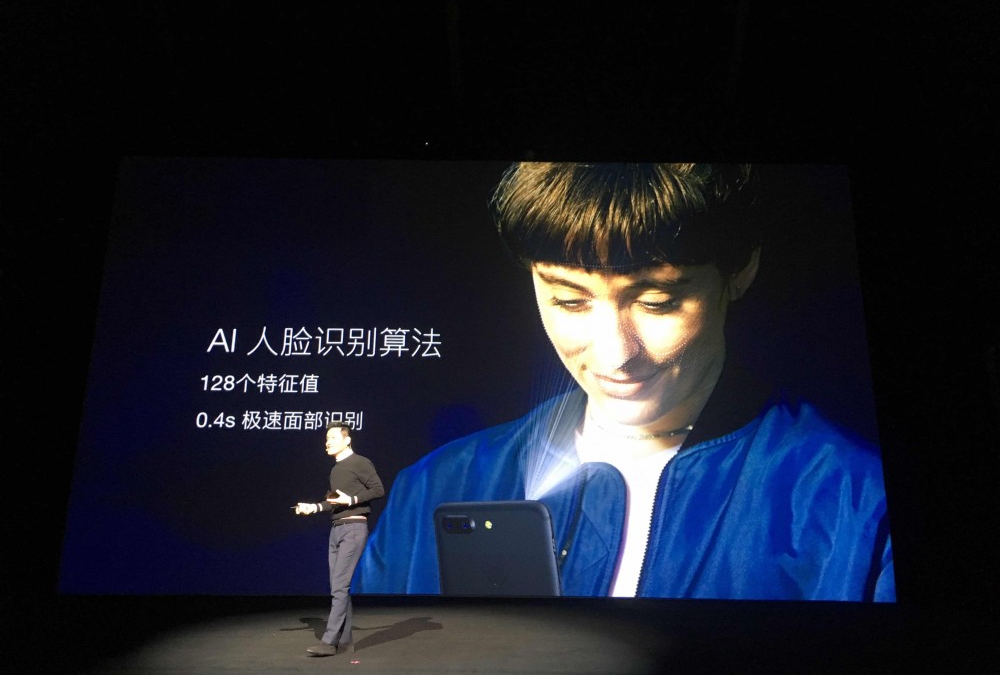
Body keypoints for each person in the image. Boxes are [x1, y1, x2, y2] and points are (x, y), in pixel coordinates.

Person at [354, 162, 894, 601]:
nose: (615, 355)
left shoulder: (858, 503)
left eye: (656, 302)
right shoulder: (434, 487)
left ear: (741, 270)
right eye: (569, 300)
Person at [294, 420, 385, 655]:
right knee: (339, 587)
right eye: (326, 439)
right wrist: (313, 507)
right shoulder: (336, 470)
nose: (327, 443)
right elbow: (334, 502)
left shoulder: (360, 462)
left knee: (339, 587)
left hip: (353, 529)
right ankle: (345, 641)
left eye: (333, 438)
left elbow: (378, 489)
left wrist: (351, 500)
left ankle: (329, 642)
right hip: (337, 529)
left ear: (347, 440)